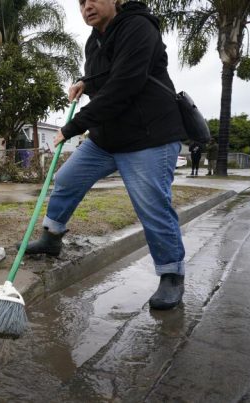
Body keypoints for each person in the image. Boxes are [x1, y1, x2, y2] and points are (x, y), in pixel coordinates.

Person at [23, 0, 187, 310]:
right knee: (66, 179)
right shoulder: (93, 40)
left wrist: (72, 127)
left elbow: (125, 84)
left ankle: (171, 274)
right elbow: (106, 78)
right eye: (81, 2)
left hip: (149, 136)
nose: (87, 6)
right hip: (108, 138)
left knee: (152, 205)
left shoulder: (138, 26)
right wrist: (85, 83)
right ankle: (51, 238)